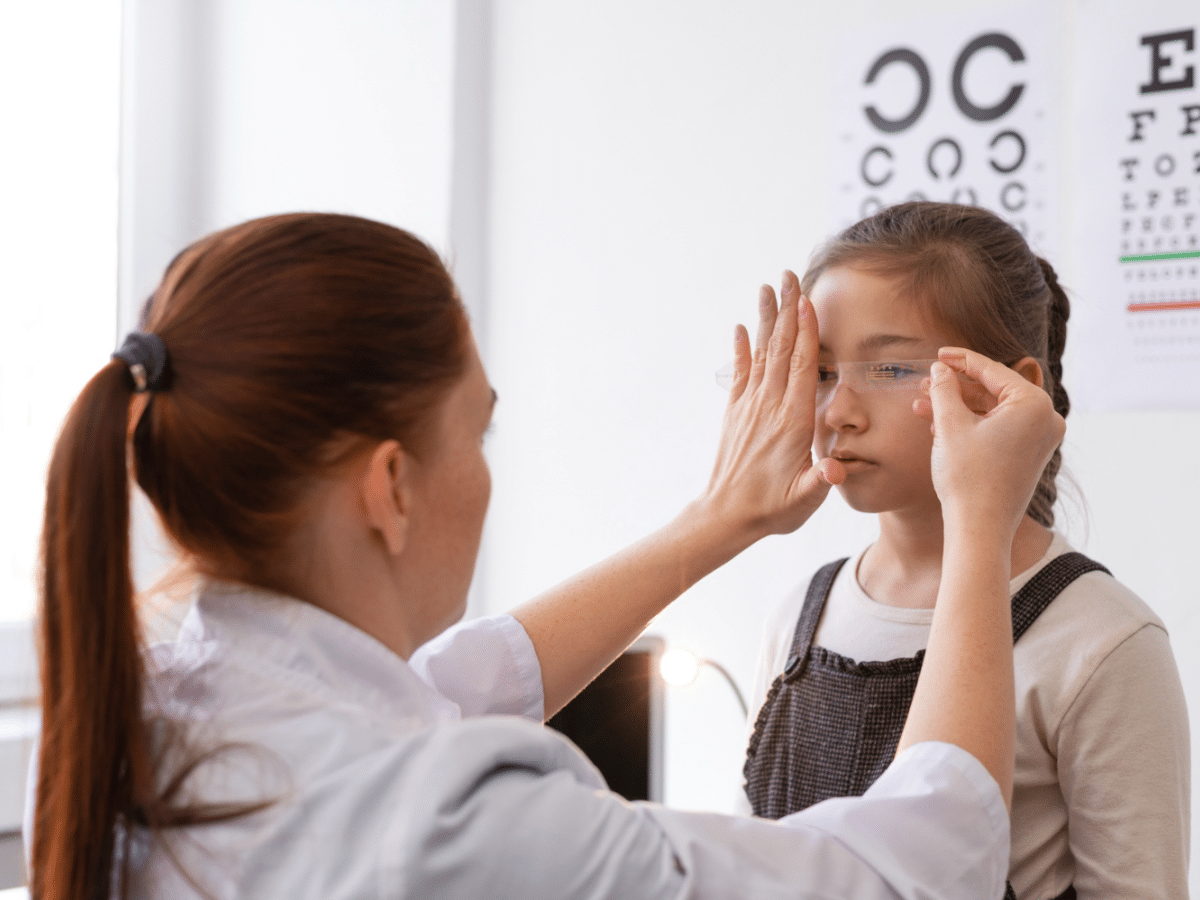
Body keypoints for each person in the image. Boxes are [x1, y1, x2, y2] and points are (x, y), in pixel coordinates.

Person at [29, 212, 1063, 900]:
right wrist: (981, 526)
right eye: (477, 431)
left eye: (890, 368)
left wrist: (715, 523)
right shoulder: (459, 824)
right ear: (390, 488)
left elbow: (442, 689)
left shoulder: (151, 704)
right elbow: (919, 873)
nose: (838, 406)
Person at [739, 201, 1190, 900]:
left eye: (890, 368)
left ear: (1012, 393)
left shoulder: (1102, 640)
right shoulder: (802, 614)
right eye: (822, 372)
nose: (838, 412)